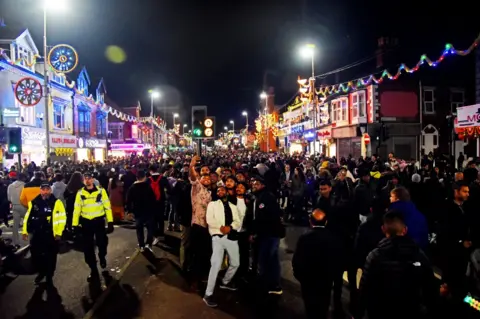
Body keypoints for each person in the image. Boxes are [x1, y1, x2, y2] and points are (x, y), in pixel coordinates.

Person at [358, 210, 437, 319]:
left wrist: (358, 312)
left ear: (383, 229)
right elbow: (430, 287)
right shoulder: (419, 255)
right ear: (405, 230)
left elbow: (365, 288)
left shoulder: (375, 256)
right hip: (411, 310)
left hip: (381, 311)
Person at [292, 209, 344, 319]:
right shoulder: (332, 238)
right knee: (323, 306)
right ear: (326, 222)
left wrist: (299, 276)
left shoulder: (305, 238)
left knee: (310, 306)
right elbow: (336, 260)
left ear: (311, 222)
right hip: (325, 280)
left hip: (308, 279)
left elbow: (297, 259)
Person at [203, 185, 242, 307]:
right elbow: (209, 219)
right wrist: (221, 228)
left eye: (223, 190)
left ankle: (225, 282)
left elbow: (238, 221)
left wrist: (230, 228)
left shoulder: (233, 207)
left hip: (231, 237)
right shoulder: (212, 205)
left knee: (236, 263)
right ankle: (208, 294)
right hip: (217, 237)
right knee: (215, 265)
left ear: (227, 192)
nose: (220, 191)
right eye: (218, 190)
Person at [22, 182, 66, 285]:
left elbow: (62, 218)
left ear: (50, 190)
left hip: (51, 234)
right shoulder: (34, 202)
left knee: (51, 256)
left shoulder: (56, 202)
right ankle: (41, 272)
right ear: (40, 190)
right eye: (43, 189)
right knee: (37, 255)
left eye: (47, 189)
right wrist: (25, 231)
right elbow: (27, 217)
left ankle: (49, 275)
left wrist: (58, 233)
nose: (45, 192)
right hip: (37, 234)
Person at [73, 172, 114, 281]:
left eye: (89, 178)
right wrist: (75, 225)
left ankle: (102, 256)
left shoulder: (101, 191)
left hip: (99, 222)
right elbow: (76, 210)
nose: (87, 180)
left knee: (102, 243)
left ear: (93, 179)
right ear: (83, 180)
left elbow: (107, 207)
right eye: (85, 178)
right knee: (88, 247)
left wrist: (110, 222)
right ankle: (93, 269)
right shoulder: (80, 193)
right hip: (86, 223)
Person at [249, 176, 285, 295]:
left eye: (257, 184)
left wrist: (255, 232)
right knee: (269, 259)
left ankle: (272, 285)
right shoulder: (259, 197)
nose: (254, 185)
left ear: (263, 185)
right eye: (253, 183)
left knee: (268, 259)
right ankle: (271, 283)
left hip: (269, 234)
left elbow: (263, 218)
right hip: (267, 233)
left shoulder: (266, 198)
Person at [126, 170, 156, 252]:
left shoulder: (132, 187)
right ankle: (148, 244)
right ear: (144, 177)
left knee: (139, 229)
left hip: (137, 211)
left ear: (136, 177)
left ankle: (141, 245)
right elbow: (153, 199)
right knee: (150, 228)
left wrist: (129, 211)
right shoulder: (148, 186)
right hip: (148, 210)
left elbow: (128, 200)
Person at [7, 173, 27, 248]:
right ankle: (29, 241)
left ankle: (16, 242)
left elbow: (9, 198)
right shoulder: (25, 185)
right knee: (27, 223)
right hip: (24, 206)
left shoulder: (10, 186)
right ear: (23, 178)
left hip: (15, 206)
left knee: (15, 225)